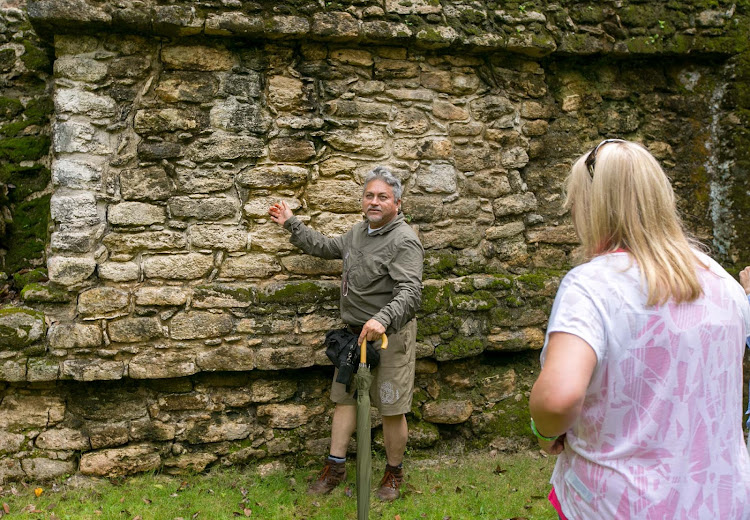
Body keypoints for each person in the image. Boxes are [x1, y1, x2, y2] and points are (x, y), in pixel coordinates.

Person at [528, 139, 750, 519]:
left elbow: (557, 399)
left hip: (620, 504)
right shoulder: (724, 283)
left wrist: (545, 432)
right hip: (722, 499)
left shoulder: (592, 285)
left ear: (592, 206)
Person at [268, 166, 423, 502]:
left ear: (397, 202)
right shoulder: (357, 233)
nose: (374, 201)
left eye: (382, 196)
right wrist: (292, 223)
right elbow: (325, 247)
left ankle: (393, 473)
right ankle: (334, 467)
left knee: (391, 406)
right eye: (369, 195)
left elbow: (411, 292)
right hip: (354, 339)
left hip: (388, 337)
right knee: (345, 400)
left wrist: (382, 319)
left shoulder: (404, 240)